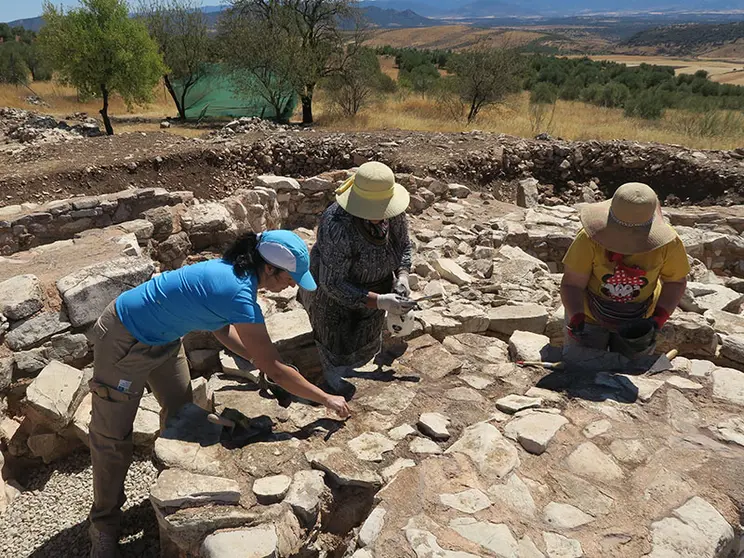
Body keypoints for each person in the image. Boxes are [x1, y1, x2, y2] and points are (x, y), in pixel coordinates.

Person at [87, 230, 350, 558]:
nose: (293, 286)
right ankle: (104, 525)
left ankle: (170, 488)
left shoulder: (236, 274)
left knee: (181, 412)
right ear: (269, 269)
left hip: (165, 339)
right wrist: (324, 398)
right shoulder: (237, 292)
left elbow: (221, 329)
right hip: (124, 338)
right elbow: (275, 367)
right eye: (291, 278)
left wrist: (257, 360)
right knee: (112, 437)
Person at [299, 161, 415, 397]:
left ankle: (357, 369)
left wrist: (402, 276)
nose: (379, 216)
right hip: (333, 296)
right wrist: (380, 301)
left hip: (377, 289)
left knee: (364, 338)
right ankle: (332, 376)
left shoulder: (394, 214)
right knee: (335, 339)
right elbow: (332, 283)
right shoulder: (336, 224)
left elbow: (404, 245)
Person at [560, 182, 690, 360]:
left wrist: (658, 318)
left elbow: (675, 281)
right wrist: (576, 317)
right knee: (583, 366)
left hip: (640, 320)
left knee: (631, 369)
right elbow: (573, 284)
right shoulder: (589, 239)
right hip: (588, 316)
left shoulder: (668, 245)